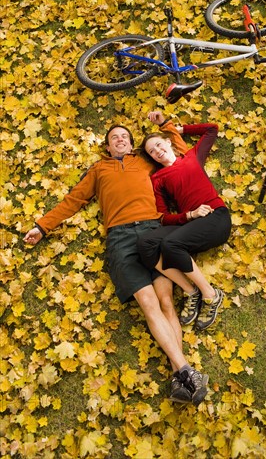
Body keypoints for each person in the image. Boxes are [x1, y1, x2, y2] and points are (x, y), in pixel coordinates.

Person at [24, 112, 209, 406]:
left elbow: (178, 152)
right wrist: (42, 226)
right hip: (120, 238)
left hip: (153, 230)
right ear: (108, 147)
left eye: (124, 136)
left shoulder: (145, 161)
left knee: (165, 301)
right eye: (114, 138)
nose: (120, 139)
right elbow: (73, 200)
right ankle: (185, 371)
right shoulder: (98, 170)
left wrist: (165, 125)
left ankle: (182, 374)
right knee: (148, 304)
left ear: (132, 144)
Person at [137, 116, 232, 331]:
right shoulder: (158, 178)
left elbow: (212, 129)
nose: (157, 151)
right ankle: (191, 291)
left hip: (216, 217)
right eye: (152, 151)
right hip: (190, 223)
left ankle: (211, 295)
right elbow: (162, 217)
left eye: (159, 144)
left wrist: (177, 129)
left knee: (171, 244)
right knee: (146, 244)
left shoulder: (192, 156)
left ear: (168, 142)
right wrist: (189, 215)